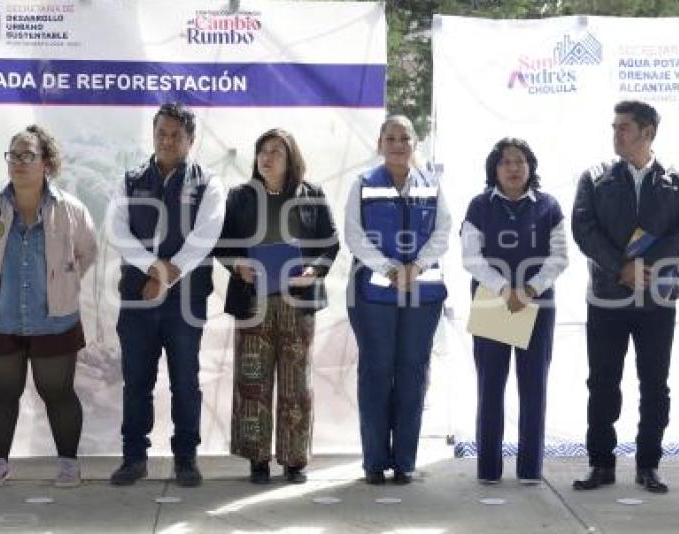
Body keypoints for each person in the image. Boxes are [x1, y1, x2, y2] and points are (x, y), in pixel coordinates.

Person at [571, 100, 679, 493]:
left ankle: (649, 465)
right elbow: (584, 228)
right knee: (603, 383)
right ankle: (600, 464)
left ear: (648, 132)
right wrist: (620, 267)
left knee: (655, 384)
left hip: (657, 298)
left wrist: (645, 266)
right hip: (608, 297)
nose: (616, 134)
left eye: (623, 127)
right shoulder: (595, 178)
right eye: (614, 127)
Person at [0, 125, 97, 489]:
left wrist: (61, 285)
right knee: (2, 394)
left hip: (55, 320)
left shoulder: (71, 209)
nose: (19, 162)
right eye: (13, 155)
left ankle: (68, 464)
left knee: (58, 393)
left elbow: (86, 253)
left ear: (47, 163)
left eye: (28, 156)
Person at [107, 102, 225, 487]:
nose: (167, 140)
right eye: (161, 132)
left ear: (190, 140)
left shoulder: (208, 183)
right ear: (153, 134)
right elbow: (118, 231)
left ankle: (186, 458)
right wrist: (154, 270)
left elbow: (205, 236)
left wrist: (169, 276)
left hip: (185, 301)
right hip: (139, 296)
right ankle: (134, 457)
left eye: (176, 134)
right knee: (136, 381)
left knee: (185, 381)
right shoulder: (130, 179)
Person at [216, 128, 339, 484]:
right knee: (252, 380)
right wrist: (238, 265)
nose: (267, 158)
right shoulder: (241, 196)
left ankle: (294, 460)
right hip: (253, 301)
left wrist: (313, 271)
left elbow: (330, 245)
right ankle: (257, 459)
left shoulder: (312, 195)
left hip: (296, 301)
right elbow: (221, 243)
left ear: (291, 160)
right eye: (262, 151)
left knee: (295, 383)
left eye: (276, 152)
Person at [345, 115, 450, 485]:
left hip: (423, 297)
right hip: (374, 297)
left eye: (404, 138)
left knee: (412, 374)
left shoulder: (432, 186)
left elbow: (442, 232)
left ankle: (405, 462)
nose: (397, 144)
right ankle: (374, 462)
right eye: (390, 137)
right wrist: (391, 269)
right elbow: (355, 235)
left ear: (414, 144)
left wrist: (416, 267)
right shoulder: (363, 185)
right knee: (376, 374)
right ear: (380, 143)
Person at [460, 137, 568, 485]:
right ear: (494, 168)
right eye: (505, 162)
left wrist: (530, 289)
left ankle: (529, 469)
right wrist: (505, 289)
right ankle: (488, 469)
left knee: (533, 386)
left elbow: (559, 256)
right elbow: (471, 258)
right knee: (490, 386)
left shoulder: (548, 206)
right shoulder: (479, 206)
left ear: (530, 167)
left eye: (520, 161)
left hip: (537, 302)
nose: (513, 167)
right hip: (493, 300)